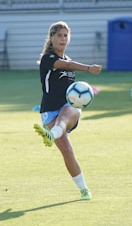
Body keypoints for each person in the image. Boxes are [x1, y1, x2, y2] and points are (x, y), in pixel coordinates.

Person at [33, 21, 102, 200]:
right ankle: (83, 190)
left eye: (65, 35)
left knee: (69, 109)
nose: (63, 39)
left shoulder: (68, 59)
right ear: (51, 38)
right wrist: (88, 68)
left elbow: (72, 89)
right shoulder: (48, 59)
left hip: (69, 108)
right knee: (67, 150)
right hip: (49, 110)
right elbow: (66, 66)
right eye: (59, 35)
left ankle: (52, 133)